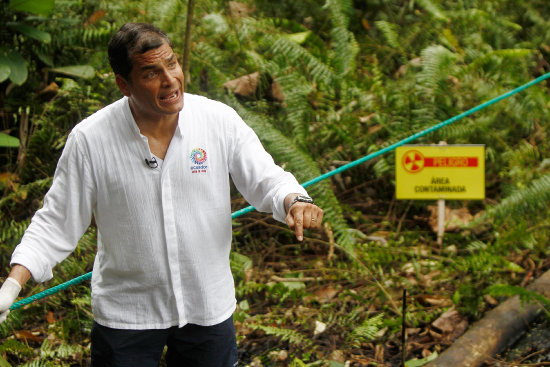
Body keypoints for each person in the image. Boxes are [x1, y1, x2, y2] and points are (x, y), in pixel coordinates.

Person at [0, 23, 324, 366]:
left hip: (207, 307)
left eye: (172, 64)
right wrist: (12, 286)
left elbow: (267, 178)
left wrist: (295, 199)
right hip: (127, 316)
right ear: (123, 85)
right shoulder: (90, 140)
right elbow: (56, 221)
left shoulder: (217, 121)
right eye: (152, 73)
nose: (170, 80)